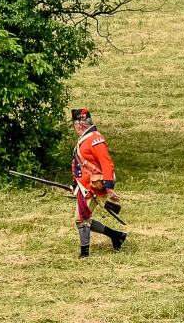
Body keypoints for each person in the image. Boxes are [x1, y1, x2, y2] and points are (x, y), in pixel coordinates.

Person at [70, 108, 126, 258]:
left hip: (93, 186)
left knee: (81, 219)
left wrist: (109, 188)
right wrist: (75, 184)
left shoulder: (95, 140)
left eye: (74, 123)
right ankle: (116, 235)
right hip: (84, 186)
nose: (74, 126)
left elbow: (107, 164)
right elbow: (79, 164)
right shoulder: (84, 138)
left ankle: (84, 254)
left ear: (80, 124)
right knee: (83, 218)